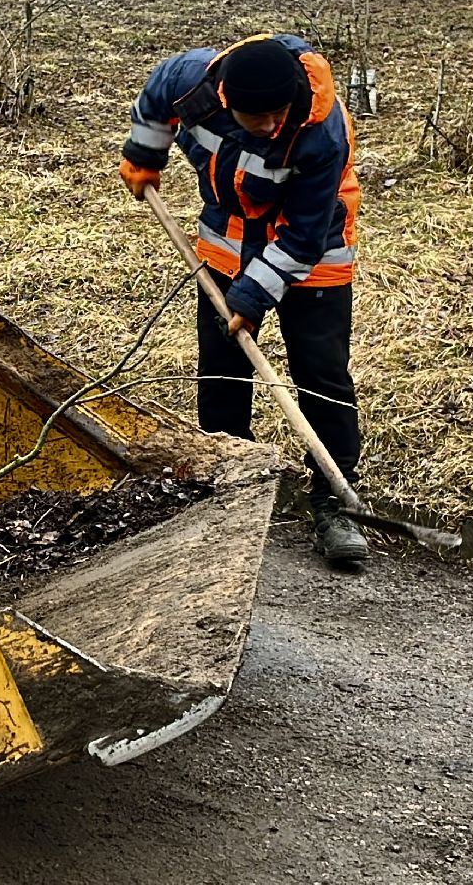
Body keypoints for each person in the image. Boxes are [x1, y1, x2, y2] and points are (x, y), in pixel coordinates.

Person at [118, 34, 366, 565]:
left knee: (322, 374)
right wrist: (144, 154)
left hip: (315, 248)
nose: (274, 127)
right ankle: (228, 481)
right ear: (228, 100)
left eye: (280, 115)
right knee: (222, 369)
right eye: (262, 119)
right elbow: (157, 93)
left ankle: (335, 500)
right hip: (229, 239)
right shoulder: (195, 83)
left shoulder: (321, 134)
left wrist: (251, 298)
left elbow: (302, 235)